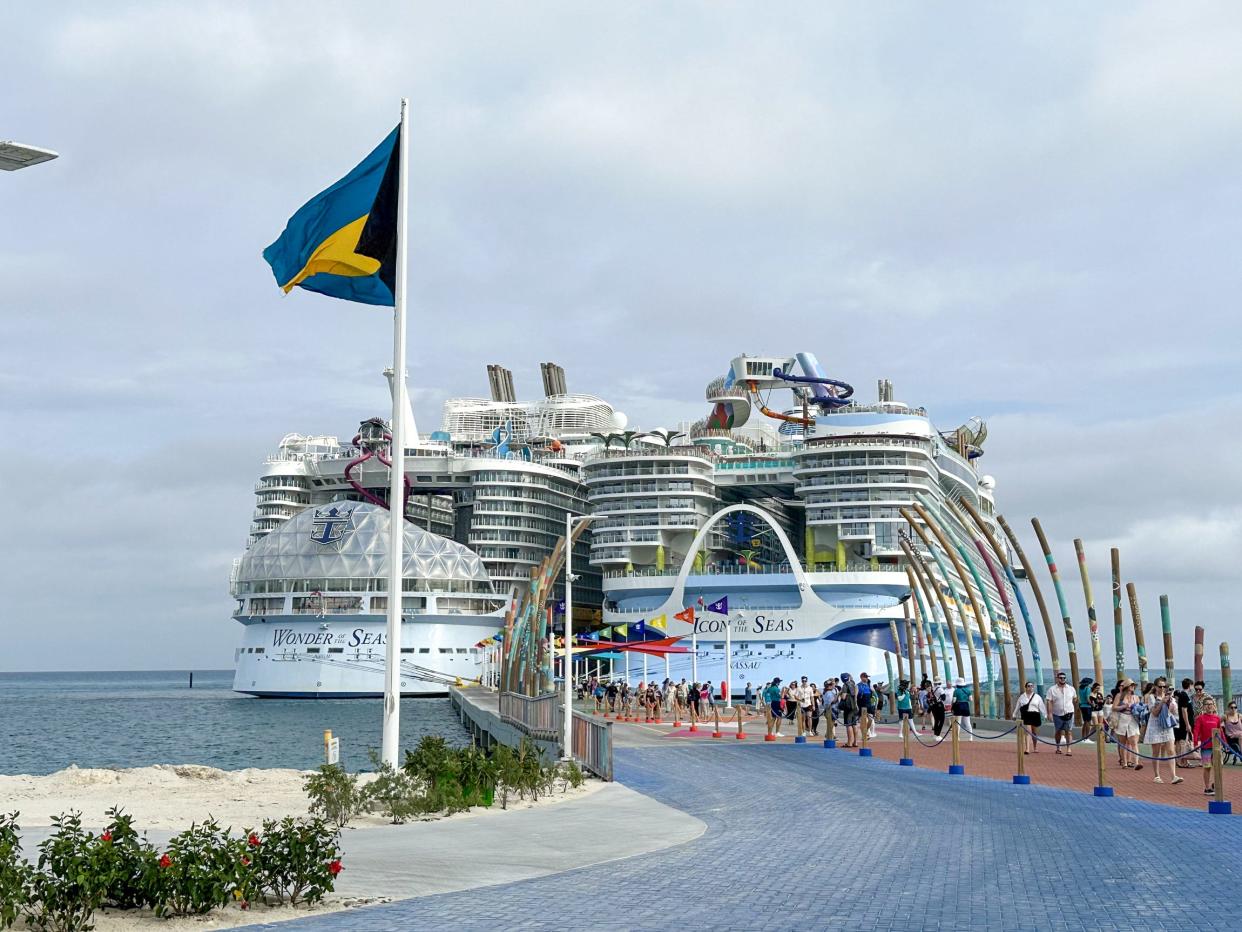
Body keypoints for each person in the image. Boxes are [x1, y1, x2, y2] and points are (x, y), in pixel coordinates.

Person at [1144, 682, 1182, 784]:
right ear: (1155, 687)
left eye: (1164, 686)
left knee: (1171, 751)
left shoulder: (1170, 697)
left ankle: (1173, 776)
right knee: (1156, 752)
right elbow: (1155, 713)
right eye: (1160, 686)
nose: (1162, 688)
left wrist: (1170, 702)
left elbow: (1174, 712)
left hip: (1167, 725)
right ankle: (1157, 776)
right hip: (1155, 726)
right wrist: (1162, 702)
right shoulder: (1151, 697)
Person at [1192, 696, 1223, 795]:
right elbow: (1196, 731)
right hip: (1206, 747)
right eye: (1207, 704)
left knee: (1219, 765)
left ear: (1214, 706)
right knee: (1207, 767)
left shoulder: (1217, 718)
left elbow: (1220, 732)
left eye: (1211, 704)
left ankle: (1216, 784)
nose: (1209, 706)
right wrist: (1196, 743)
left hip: (1216, 746)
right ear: (1203, 706)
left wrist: (1224, 743)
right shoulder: (1200, 718)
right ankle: (1207, 788)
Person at [1113, 680, 1142, 770]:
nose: (1133, 687)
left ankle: (1136, 762)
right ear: (1127, 687)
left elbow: (1139, 708)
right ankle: (1124, 762)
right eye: (1131, 685)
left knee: (1134, 742)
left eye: (1134, 685)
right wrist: (1123, 706)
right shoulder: (1119, 696)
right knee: (1123, 743)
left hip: (1133, 720)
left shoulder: (1136, 697)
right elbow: (1114, 707)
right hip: (1122, 719)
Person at [1046, 671, 1077, 755]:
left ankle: (1069, 748)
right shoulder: (1052, 689)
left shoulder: (1071, 689)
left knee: (1069, 731)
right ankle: (1058, 747)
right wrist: (1049, 713)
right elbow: (1049, 701)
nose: (1062, 679)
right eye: (1061, 678)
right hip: (1057, 713)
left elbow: (1075, 699)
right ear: (1057, 679)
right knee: (1058, 731)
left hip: (1069, 712)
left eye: (1064, 678)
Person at [1015, 681, 1046, 754]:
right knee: (1028, 731)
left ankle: (1035, 747)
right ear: (1026, 687)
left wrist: (1045, 714)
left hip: (1035, 715)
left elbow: (1041, 706)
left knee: (1034, 732)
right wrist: (1014, 714)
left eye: (1032, 686)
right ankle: (1027, 748)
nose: (1030, 687)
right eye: (1028, 686)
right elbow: (1017, 706)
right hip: (1026, 715)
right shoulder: (1022, 697)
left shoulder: (1037, 697)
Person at [839, 673, 860, 747]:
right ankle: (855, 742)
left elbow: (844, 697)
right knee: (854, 724)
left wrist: (841, 694)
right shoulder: (853, 684)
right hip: (855, 706)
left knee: (848, 725)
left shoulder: (845, 685)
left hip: (848, 707)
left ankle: (849, 743)